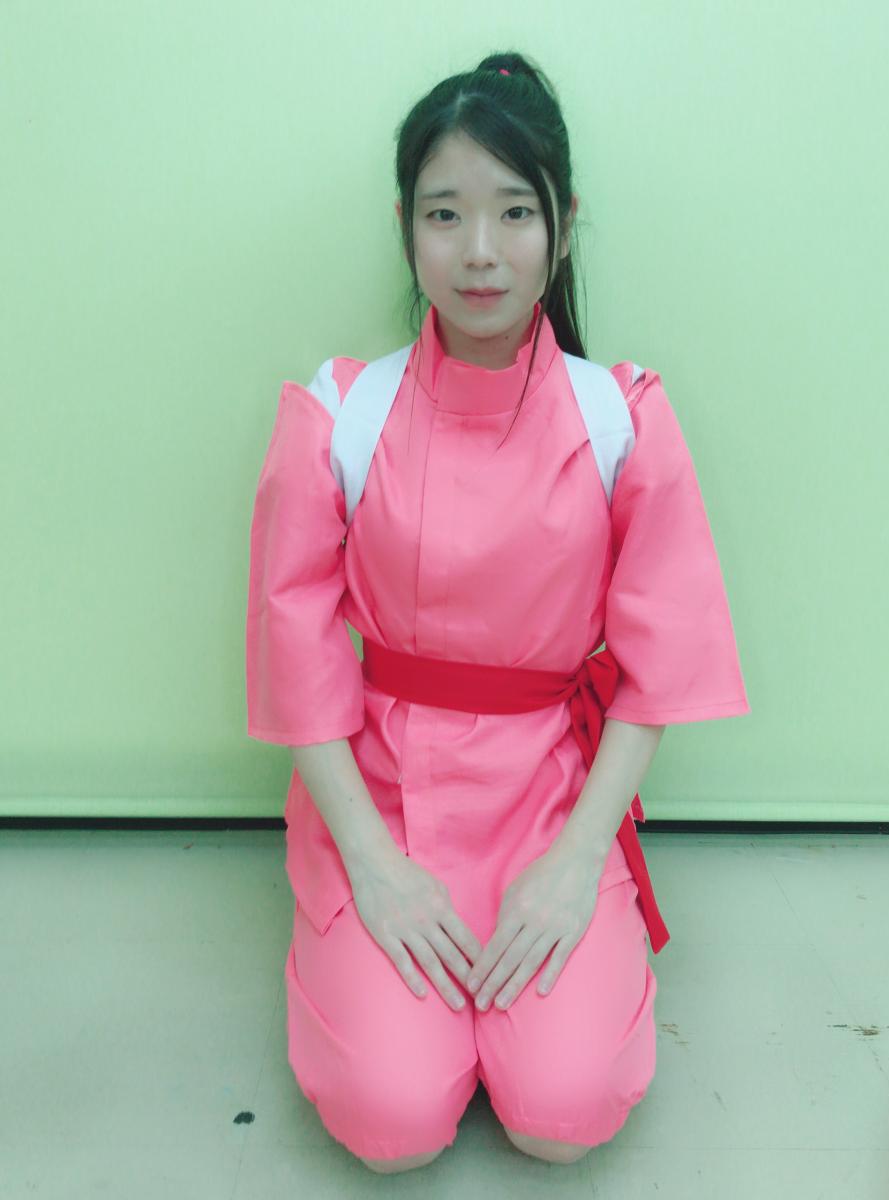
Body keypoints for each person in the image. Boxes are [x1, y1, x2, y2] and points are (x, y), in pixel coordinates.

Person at [245, 50, 750, 1173]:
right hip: (380, 798)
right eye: (445, 213)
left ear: (562, 228)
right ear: (405, 227)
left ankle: (551, 965)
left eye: (515, 211)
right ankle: (367, 968)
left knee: (564, 1115)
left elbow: (658, 672)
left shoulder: (623, 419)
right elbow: (298, 664)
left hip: (552, 802)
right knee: (392, 1122)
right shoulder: (338, 414)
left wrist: (575, 864)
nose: (480, 249)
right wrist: (374, 866)